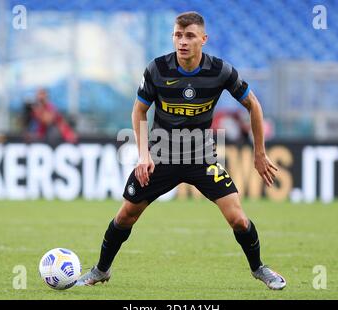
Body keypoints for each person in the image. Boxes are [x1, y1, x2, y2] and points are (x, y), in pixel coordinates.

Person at [77, 12, 286, 290]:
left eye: (189, 35)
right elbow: (140, 109)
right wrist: (143, 154)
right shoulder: (157, 69)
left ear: (203, 39)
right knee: (126, 214)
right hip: (161, 155)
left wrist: (259, 153)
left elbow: (253, 105)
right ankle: (101, 270)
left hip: (201, 157)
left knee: (236, 217)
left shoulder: (221, 71)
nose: (182, 41)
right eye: (178, 34)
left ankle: (259, 268)